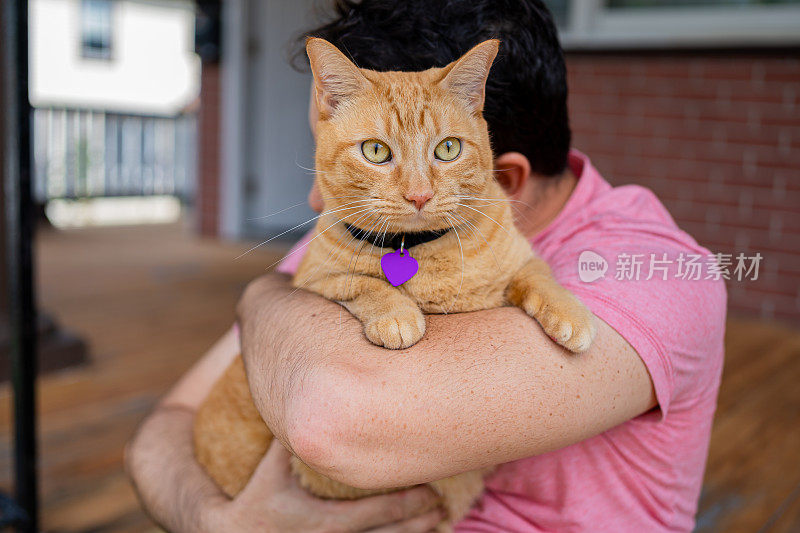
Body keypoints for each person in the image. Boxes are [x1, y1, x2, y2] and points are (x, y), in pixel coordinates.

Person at [126, 1, 727, 531]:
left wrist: (262, 296)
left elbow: (333, 419)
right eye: (367, 154)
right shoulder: (364, 220)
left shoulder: (659, 273)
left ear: (499, 177)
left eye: (441, 152)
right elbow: (164, 428)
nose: (317, 205)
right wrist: (218, 521)